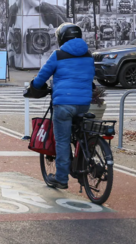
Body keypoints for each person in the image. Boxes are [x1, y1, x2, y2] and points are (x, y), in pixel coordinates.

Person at [30, 23, 95, 190]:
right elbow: (90, 75)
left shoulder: (59, 55)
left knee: (62, 141)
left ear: (61, 38)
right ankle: (83, 160)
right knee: (78, 132)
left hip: (64, 104)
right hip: (84, 104)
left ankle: (61, 179)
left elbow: (43, 74)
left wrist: (35, 85)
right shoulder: (88, 54)